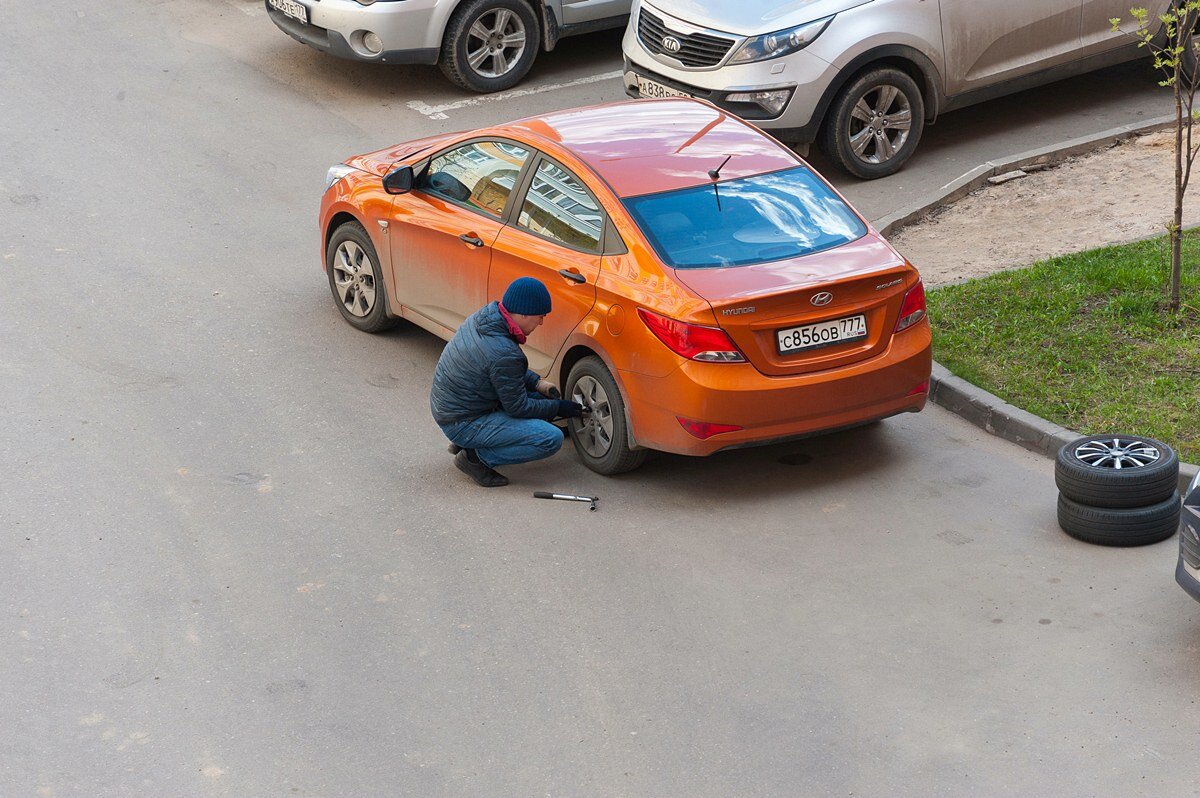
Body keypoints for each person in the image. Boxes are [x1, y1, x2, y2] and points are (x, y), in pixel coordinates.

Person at [430, 277, 586, 487]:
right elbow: (518, 407)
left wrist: (537, 384)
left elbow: (504, 372)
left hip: (452, 407)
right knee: (550, 438)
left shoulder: (486, 318)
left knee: (538, 400)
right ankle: (475, 458)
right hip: (462, 420)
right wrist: (558, 408)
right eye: (541, 316)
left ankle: (467, 441)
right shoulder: (504, 351)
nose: (541, 322)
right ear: (524, 313)